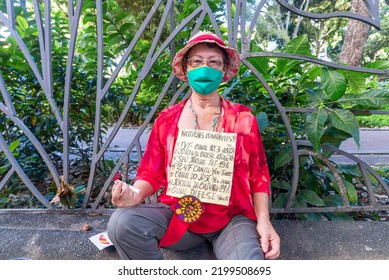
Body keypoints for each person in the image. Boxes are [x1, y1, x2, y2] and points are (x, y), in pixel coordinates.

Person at [107, 31, 280, 260]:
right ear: (186, 69)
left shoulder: (243, 119)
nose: (204, 68)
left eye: (213, 62)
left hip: (231, 221)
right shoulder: (167, 119)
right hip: (179, 217)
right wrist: (134, 195)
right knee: (121, 223)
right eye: (196, 61)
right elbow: (151, 171)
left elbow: (258, 175)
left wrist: (264, 223)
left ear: (224, 70)